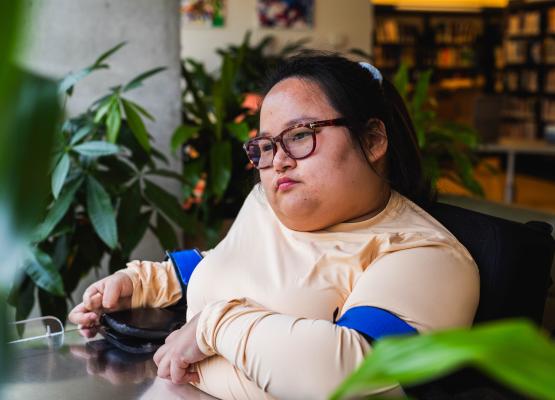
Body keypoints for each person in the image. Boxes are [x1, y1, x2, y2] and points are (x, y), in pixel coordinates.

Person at [69, 53, 479, 399]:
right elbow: (231, 263)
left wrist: (214, 326)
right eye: (266, 146)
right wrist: (146, 282)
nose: (278, 160)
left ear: (372, 140)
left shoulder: (425, 255)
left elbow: (350, 368)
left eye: (300, 135)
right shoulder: (267, 202)